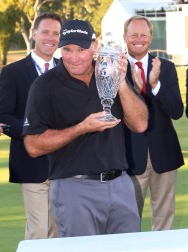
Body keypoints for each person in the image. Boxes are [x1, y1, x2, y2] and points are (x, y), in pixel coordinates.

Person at [22, 19, 148, 237]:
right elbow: (33, 145)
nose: (73, 57)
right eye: (67, 49)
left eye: (81, 49)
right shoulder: (45, 86)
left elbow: (140, 124)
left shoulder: (110, 72)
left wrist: (121, 84)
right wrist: (82, 128)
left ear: (95, 46)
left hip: (121, 185)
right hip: (75, 189)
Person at [0, 12, 62, 239]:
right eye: (46, 32)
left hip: (67, 165)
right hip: (32, 163)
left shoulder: (68, 69)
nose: (51, 38)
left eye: (56, 33)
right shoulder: (13, 72)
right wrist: (36, 131)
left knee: (59, 232)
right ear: (34, 34)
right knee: (39, 231)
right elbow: (2, 115)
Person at [123, 15, 184, 231]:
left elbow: (177, 111)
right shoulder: (114, 68)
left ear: (150, 38)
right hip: (128, 157)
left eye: (144, 34)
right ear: (125, 37)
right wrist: (137, 90)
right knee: (128, 221)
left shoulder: (165, 68)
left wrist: (154, 85)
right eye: (134, 35)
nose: (139, 39)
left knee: (164, 222)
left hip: (164, 155)